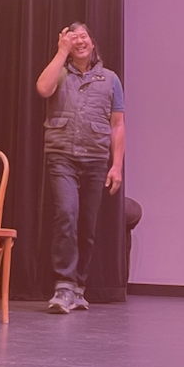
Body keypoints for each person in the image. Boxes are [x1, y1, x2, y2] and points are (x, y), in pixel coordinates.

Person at [36, 22, 125, 314]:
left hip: (96, 159)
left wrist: (116, 166)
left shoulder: (110, 79)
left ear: (92, 42)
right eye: (72, 38)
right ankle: (63, 286)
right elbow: (43, 88)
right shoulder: (60, 71)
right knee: (66, 214)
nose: (79, 41)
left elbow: (118, 125)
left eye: (83, 35)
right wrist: (61, 52)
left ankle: (78, 287)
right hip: (62, 155)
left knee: (86, 224)